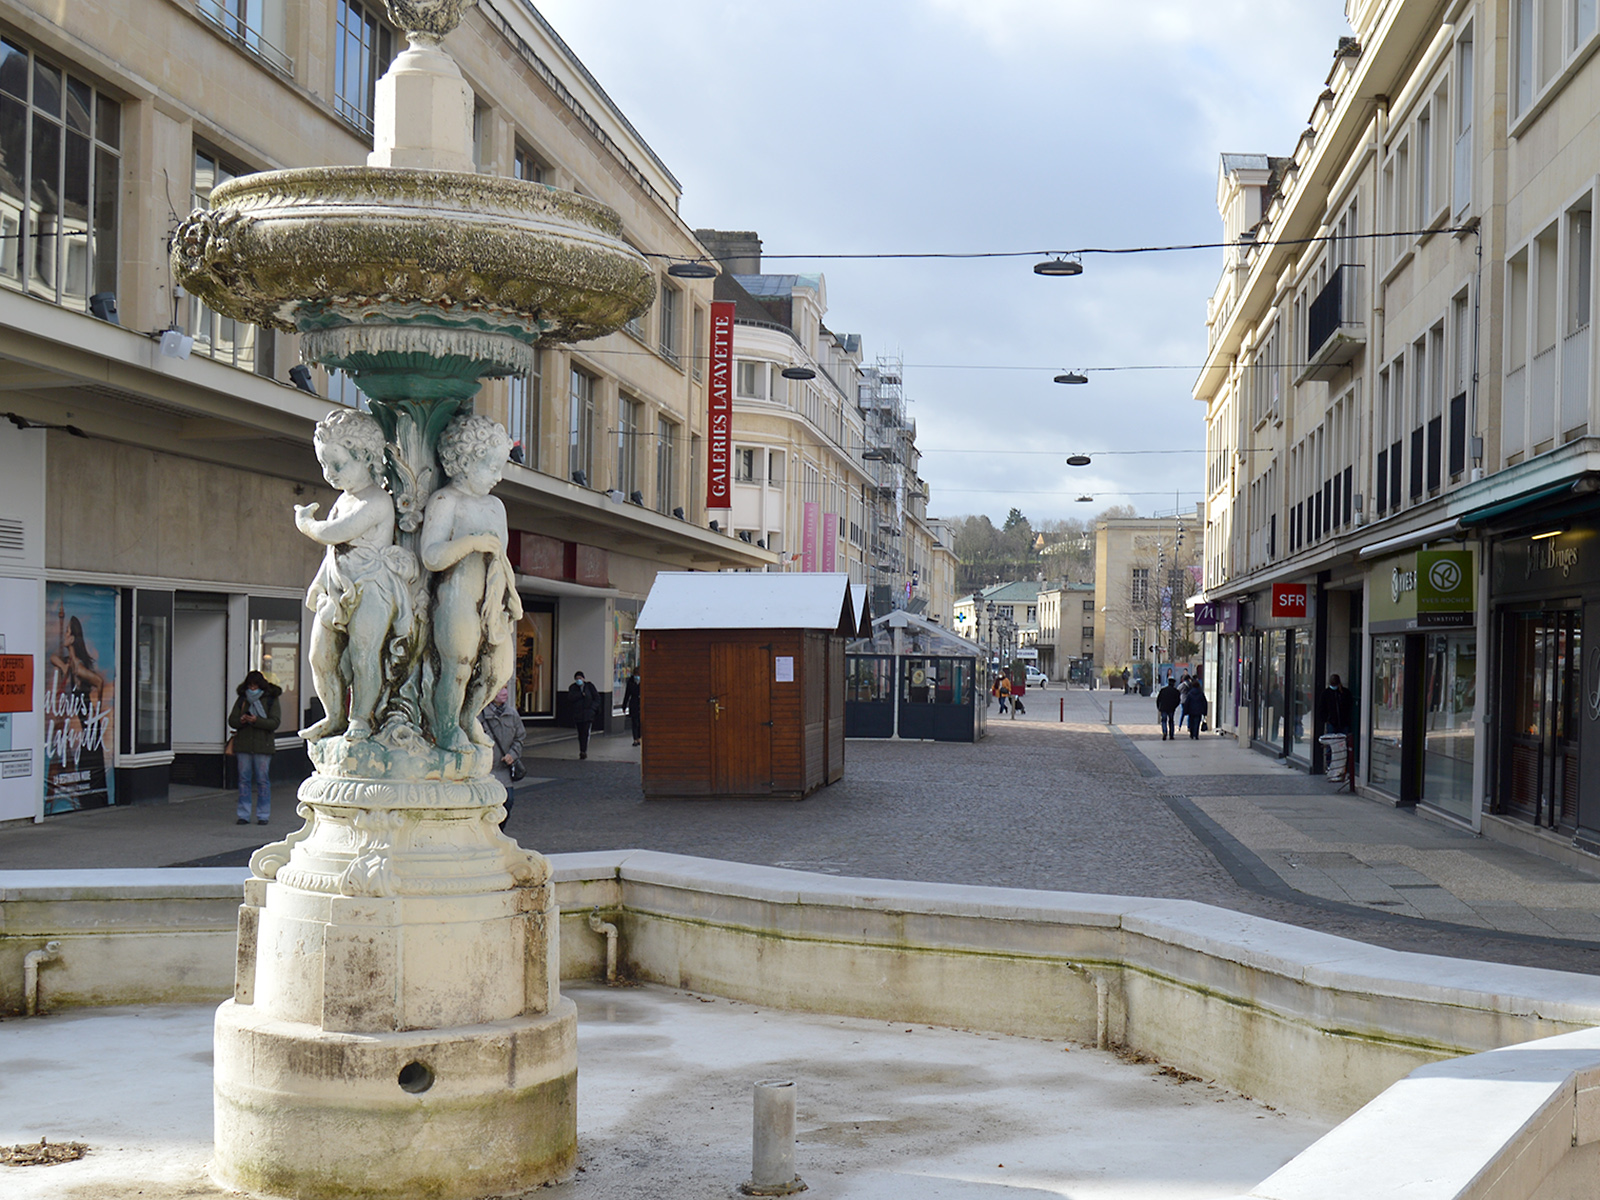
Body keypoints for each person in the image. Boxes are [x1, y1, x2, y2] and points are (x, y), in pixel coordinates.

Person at [295, 409, 418, 742]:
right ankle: (333, 716)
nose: (330, 473)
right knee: (319, 656)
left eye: (338, 464)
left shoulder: (377, 500)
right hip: (337, 587)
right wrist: (319, 583)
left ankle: (361, 718)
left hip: (372, 585)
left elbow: (336, 534)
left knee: (365, 655)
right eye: (324, 465)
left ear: (365, 457)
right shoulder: (343, 499)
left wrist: (307, 524)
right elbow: (333, 552)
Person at [420, 414, 524, 753]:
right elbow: (432, 556)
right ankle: (448, 727)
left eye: (500, 467)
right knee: (458, 666)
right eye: (491, 466)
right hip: (456, 596)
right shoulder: (446, 501)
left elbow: (502, 556)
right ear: (463, 462)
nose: (498, 476)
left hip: (491, 599)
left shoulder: (496, 506)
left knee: (499, 670)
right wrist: (472, 543)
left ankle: (469, 716)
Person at [229, 670, 281, 824]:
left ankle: (263, 815)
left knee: (262, 780)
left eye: (255, 686)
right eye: (250, 686)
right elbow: (232, 720)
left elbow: (275, 722)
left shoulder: (271, 699)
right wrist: (242, 720)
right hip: (244, 745)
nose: (252, 689)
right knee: (244, 780)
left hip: (263, 745)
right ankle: (243, 814)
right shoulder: (242, 699)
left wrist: (256, 720)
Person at [478, 686, 524, 830]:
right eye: (499, 689)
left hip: (503, 769)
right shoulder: (480, 716)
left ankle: (499, 831)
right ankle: (487, 832)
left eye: (505, 689)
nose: (504, 693)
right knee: (486, 804)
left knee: (508, 801)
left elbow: (520, 737)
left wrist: (513, 754)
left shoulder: (512, 714)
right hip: (485, 770)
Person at [568, 670, 602, 759]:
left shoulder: (590, 687)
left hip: (588, 714)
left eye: (580, 678)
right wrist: (580, 694)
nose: (578, 680)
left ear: (583, 678)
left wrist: (592, 709)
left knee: (586, 732)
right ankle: (582, 749)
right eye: (577, 678)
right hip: (578, 714)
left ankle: (583, 751)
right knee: (580, 733)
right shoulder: (572, 688)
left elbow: (597, 698)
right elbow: (571, 698)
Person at [621, 666, 642, 746]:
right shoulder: (630, 682)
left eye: (638, 674)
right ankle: (635, 739)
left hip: (641, 704)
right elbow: (627, 694)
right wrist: (624, 706)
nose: (637, 676)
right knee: (634, 722)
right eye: (636, 674)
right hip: (634, 704)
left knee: (640, 723)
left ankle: (639, 737)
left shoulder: (644, 681)